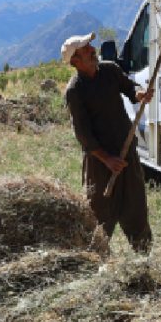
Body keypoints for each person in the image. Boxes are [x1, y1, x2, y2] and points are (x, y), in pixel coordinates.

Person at [62, 31, 153, 253]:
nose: (93, 51)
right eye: (86, 50)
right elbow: (83, 135)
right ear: (75, 61)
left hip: (126, 151)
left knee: (135, 206)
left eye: (91, 47)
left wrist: (139, 94)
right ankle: (97, 258)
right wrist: (107, 159)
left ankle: (144, 255)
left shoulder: (110, 70)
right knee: (100, 211)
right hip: (100, 161)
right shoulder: (75, 91)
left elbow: (129, 88)